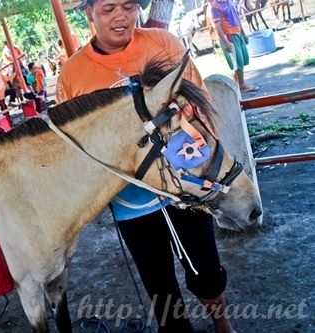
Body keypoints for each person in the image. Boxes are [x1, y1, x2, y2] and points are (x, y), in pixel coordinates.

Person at [56, 1, 237, 332]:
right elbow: (75, 146)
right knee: (160, 285)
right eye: (108, 8)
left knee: (207, 271)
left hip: (187, 184)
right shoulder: (73, 75)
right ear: (89, 13)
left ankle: (223, 326)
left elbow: (201, 103)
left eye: (128, 6)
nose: (121, 16)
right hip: (131, 202)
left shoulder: (163, 43)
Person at [211, 0, 259, 93]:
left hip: (238, 33)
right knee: (238, 61)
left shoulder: (230, 1)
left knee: (242, 59)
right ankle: (242, 86)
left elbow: (237, 17)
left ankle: (236, 83)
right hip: (229, 36)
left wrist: (244, 33)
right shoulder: (215, 6)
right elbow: (218, 26)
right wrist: (225, 42)